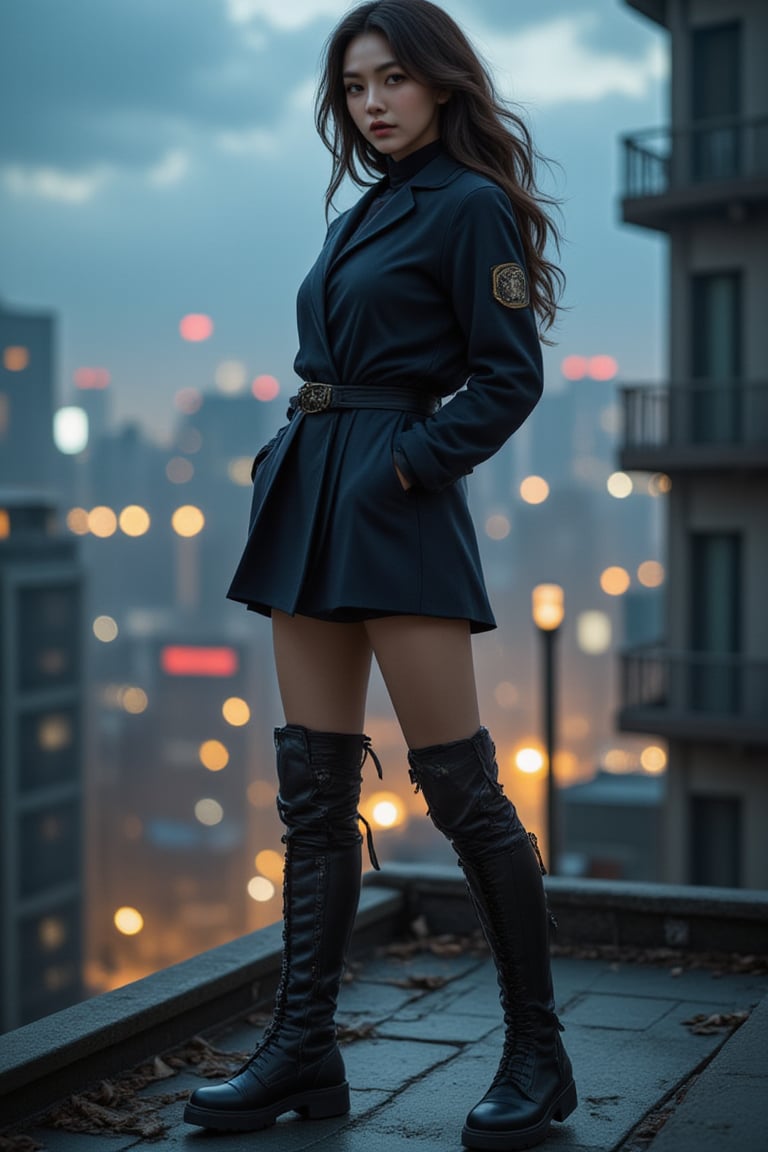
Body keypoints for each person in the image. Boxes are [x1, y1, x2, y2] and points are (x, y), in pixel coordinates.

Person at [183, 0, 576, 1147]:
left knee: (459, 788)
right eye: (355, 86)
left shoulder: (469, 207)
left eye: (393, 79)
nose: (372, 103)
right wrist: (292, 461)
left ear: (442, 84)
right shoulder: (367, 208)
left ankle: (538, 1056)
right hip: (310, 495)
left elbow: (509, 380)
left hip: (392, 506)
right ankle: (304, 1053)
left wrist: (407, 465)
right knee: (312, 792)